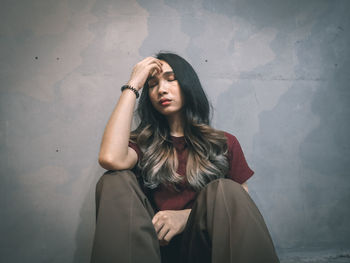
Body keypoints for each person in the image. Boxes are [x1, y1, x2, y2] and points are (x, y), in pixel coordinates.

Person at [91, 52, 280, 263]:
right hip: (150, 250)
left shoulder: (224, 142)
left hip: (203, 251)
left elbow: (239, 203)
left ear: (188, 84)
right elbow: (109, 158)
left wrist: (184, 217)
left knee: (225, 189)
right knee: (114, 179)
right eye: (152, 84)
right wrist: (133, 84)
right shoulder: (142, 142)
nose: (161, 89)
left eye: (171, 80)